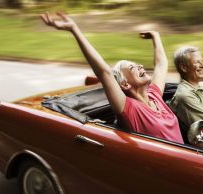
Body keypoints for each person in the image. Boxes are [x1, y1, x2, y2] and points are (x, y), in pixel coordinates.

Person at [41, 12, 184, 144]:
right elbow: (104, 72)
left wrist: (155, 36)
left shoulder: (154, 95)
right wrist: (74, 29)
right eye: (132, 68)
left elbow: (161, 64)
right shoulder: (129, 109)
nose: (140, 66)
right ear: (124, 84)